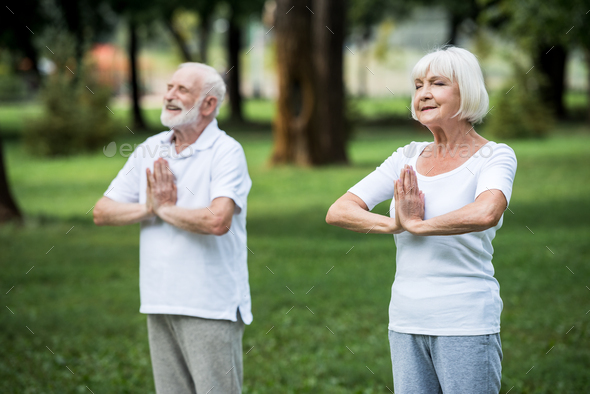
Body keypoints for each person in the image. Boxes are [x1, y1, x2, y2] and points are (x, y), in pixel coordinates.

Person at [326, 46, 517, 394]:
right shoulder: (407, 157)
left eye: (437, 83)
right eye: (418, 85)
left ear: (467, 91)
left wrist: (420, 225)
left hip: (465, 321)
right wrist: (396, 224)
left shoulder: (495, 155)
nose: (423, 93)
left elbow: (487, 211)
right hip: (406, 320)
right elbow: (339, 210)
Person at [93, 62, 252, 394]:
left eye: (183, 90)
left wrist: (164, 209)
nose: (170, 95)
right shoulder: (151, 148)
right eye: (169, 87)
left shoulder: (226, 151)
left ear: (208, 104)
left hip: (210, 305)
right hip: (158, 299)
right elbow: (102, 211)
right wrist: (150, 208)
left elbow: (217, 220)